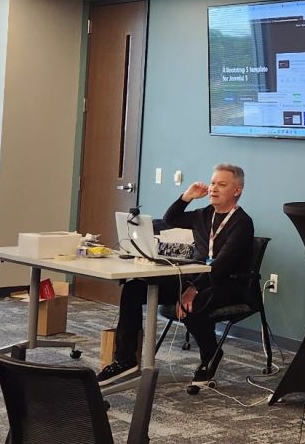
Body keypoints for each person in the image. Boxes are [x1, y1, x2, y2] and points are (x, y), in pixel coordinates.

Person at [96, 163, 255, 387]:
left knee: (192, 304)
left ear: (237, 190)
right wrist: (186, 197)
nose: (213, 188)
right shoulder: (204, 214)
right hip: (196, 278)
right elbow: (170, 219)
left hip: (228, 284)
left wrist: (191, 290)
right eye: (212, 183)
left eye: (222, 184)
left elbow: (221, 267)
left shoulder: (242, 223)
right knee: (134, 288)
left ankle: (210, 354)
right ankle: (125, 359)